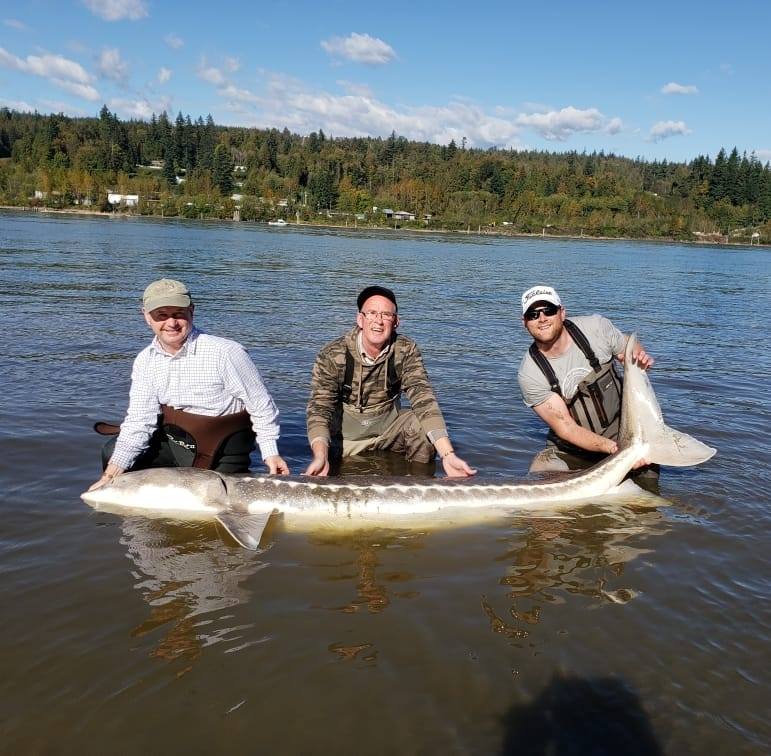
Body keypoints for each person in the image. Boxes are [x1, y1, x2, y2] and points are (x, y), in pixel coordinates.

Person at [89, 278, 289, 490]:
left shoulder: (226, 353)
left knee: (214, 502)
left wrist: (270, 453)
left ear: (191, 311)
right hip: (179, 444)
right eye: (161, 315)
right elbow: (140, 420)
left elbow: (261, 406)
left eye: (178, 314)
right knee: (112, 455)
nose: (171, 323)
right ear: (147, 317)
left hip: (223, 448)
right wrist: (110, 474)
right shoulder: (145, 360)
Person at [304, 285, 476, 478]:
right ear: (360, 319)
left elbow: (423, 397)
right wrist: (320, 455)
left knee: (420, 426)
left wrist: (448, 454)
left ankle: (421, 483)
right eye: (372, 313)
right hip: (345, 440)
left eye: (386, 315)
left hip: (388, 432)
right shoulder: (332, 354)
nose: (378, 321)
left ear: (396, 322)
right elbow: (320, 408)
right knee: (330, 474)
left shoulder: (406, 349)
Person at [517, 284, 656, 477]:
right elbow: (566, 428)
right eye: (533, 314)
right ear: (524, 322)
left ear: (562, 313)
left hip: (621, 431)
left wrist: (639, 358)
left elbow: (629, 348)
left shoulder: (595, 328)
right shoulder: (530, 374)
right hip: (571, 448)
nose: (542, 319)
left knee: (646, 489)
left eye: (548, 310)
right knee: (540, 476)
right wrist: (616, 451)